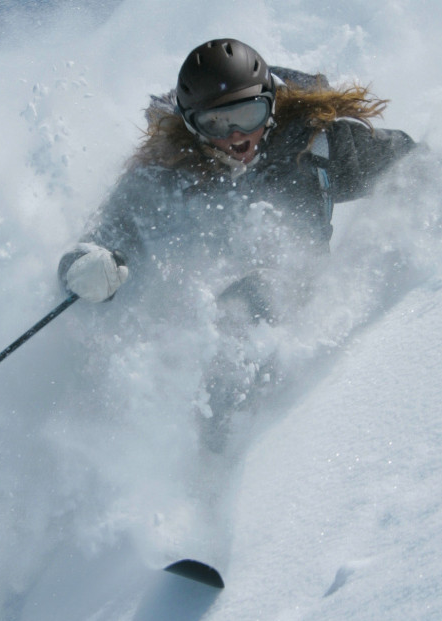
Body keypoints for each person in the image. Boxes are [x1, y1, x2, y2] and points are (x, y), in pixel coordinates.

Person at [59, 38, 417, 453]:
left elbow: (412, 166)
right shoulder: (169, 172)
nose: (237, 136)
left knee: (257, 294)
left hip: (307, 309)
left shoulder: (313, 145)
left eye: (250, 115)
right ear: (193, 125)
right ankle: (200, 451)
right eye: (216, 124)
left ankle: (236, 444)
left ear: (271, 105)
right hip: (199, 326)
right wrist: (84, 267)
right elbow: (107, 235)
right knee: (232, 309)